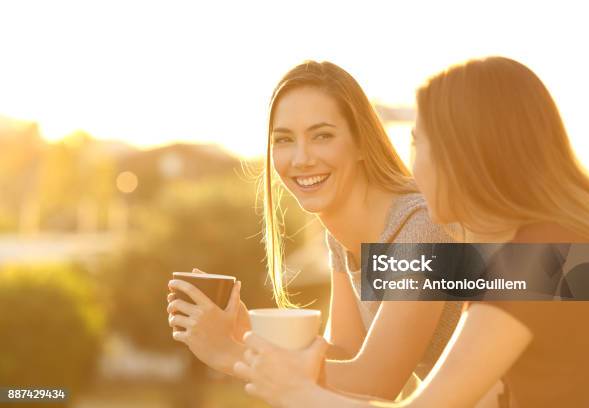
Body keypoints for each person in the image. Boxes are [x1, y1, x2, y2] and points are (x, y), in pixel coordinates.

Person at [235, 56, 589, 407]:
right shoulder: (559, 245)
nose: (411, 169)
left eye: (418, 143)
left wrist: (296, 389)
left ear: (467, 152)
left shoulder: (536, 259)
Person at [166, 61, 464, 401]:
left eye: (322, 136)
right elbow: (349, 358)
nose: (301, 158)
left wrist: (232, 354)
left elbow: (378, 381)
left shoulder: (420, 228)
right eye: (284, 140)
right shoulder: (339, 234)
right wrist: (247, 335)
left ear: (362, 141)